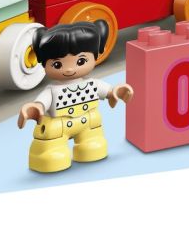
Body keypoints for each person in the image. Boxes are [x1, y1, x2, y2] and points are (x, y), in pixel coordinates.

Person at [17, 20, 133, 172]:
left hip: (88, 123)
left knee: (93, 144)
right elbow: (41, 103)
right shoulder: (52, 91)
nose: (70, 69)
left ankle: (90, 145)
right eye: (57, 64)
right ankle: (49, 154)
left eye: (81, 61)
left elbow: (109, 91)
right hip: (57, 127)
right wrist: (36, 108)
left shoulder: (93, 84)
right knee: (51, 154)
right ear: (44, 63)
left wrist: (116, 92)